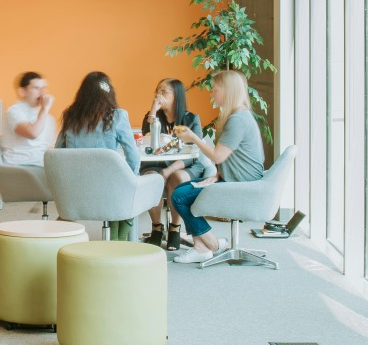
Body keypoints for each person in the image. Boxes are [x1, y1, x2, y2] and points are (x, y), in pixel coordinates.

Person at [167, 69, 267, 263]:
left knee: (179, 196)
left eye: (215, 89)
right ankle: (201, 246)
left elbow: (218, 156)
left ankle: (210, 244)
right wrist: (219, 175)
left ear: (228, 91)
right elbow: (235, 158)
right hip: (239, 180)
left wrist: (194, 138)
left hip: (241, 186)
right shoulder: (241, 116)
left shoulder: (237, 120)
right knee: (181, 190)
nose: (212, 93)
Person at [56, 71, 145, 241]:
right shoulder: (117, 116)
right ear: (109, 92)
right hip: (107, 191)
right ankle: (116, 243)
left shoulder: (70, 116)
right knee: (127, 191)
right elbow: (133, 155)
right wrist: (133, 179)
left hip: (74, 190)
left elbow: (58, 151)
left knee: (120, 188)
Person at [140, 77, 204, 250]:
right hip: (156, 163)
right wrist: (153, 111)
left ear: (176, 95)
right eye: (157, 91)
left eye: (164, 91)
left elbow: (193, 154)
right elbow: (146, 141)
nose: (158, 95)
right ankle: (156, 228)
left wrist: (169, 170)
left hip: (185, 165)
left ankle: (175, 228)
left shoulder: (191, 119)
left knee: (179, 177)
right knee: (151, 178)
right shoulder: (152, 117)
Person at [0, 71, 55, 166]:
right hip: (23, 165)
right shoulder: (14, 111)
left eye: (43, 88)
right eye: (36, 88)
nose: (42, 92)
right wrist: (45, 108)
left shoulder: (46, 116)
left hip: (42, 163)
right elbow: (32, 133)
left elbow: (51, 145)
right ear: (23, 91)